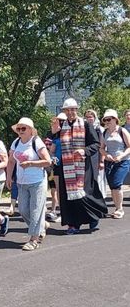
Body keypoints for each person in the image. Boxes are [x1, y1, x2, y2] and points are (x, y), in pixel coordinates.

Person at [51, 98, 107, 234]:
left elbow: (95, 144)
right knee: (68, 197)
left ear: (77, 110)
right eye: (67, 110)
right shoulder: (61, 126)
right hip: (66, 167)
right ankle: (73, 224)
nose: (70, 112)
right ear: (64, 111)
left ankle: (93, 217)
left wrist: (84, 151)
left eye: (72, 110)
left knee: (85, 194)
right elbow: (52, 143)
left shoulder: (86, 125)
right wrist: (53, 133)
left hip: (83, 166)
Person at [6, 118, 51, 251]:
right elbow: (11, 161)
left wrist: (31, 164)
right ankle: (41, 226)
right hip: (21, 182)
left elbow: (47, 161)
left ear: (31, 130)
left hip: (37, 181)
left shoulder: (36, 142)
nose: (20, 131)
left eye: (23, 128)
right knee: (24, 210)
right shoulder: (16, 143)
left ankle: (34, 239)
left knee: (36, 210)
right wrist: (9, 177)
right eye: (18, 129)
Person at [99, 109, 130, 219]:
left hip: (123, 161)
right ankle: (117, 207)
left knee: (117, 184)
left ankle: (120, 208)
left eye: (109, 119)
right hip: (109, 162)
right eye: (105, 120)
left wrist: (121, 156)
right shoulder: (104, 133)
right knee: (112, 186)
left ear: (115, 119)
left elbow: (129, 146)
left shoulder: (122, 131)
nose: (107, 121)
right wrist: (106, 155)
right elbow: (101, 148)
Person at [45, 112, 66, 222]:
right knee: (59, 190)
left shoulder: (70, 133)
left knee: (68, 190)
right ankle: (62, 213)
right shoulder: (56, 136)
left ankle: (68, 213)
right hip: (58, 165)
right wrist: (52, 158)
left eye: (62, 121)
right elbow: (51, 151)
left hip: (69, 165)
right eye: (59, 121)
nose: (60, 123)